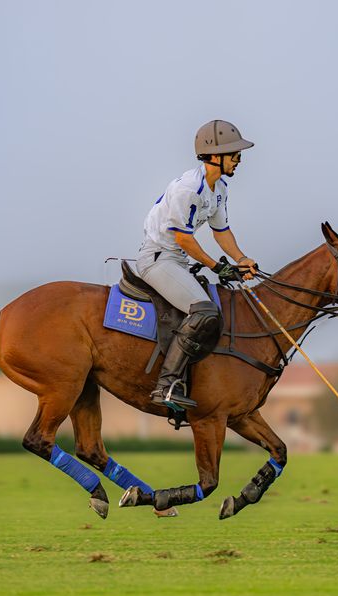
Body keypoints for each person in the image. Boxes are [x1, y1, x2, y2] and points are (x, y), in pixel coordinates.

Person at [136, 120, 258, 410]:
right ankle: (166, 386)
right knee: (204, 312)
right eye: (236, 155)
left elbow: (221, 231)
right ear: (215, 156)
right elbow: (184, 238)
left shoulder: (219, 189)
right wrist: (217, 267)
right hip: (157, 258)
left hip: (176, 259)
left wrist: (240, 259)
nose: (239, 161)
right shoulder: (188, 188)